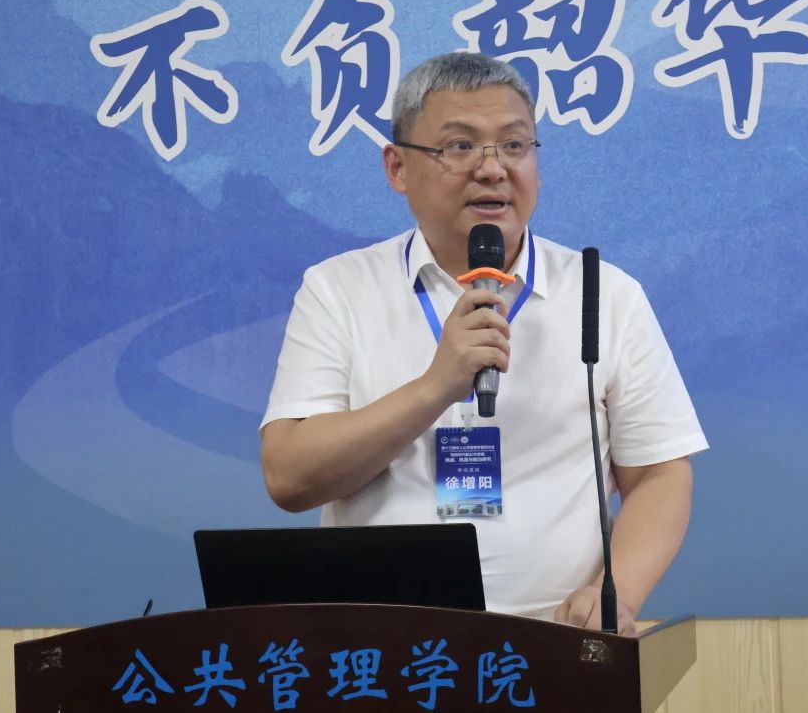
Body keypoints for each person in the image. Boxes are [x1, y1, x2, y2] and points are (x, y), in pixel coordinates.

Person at [260, 52, 707, 635]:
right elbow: (290, 478)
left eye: (514, 145)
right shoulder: (339, 289)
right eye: (460, 146)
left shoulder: (605, 294)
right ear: (397, 167)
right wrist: (435, 388)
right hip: (381, 644)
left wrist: (613, 591)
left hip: (555, 640)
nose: (493, 169)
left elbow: (659, 476)